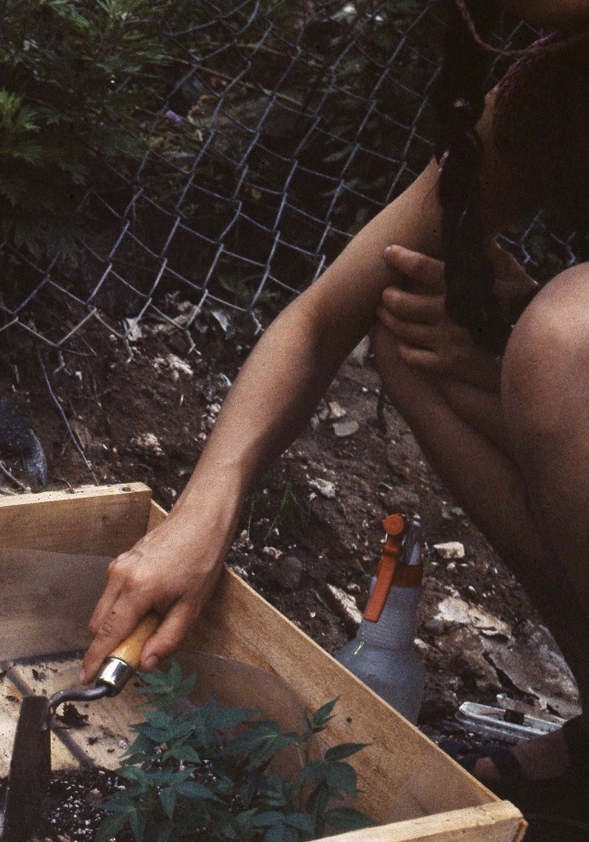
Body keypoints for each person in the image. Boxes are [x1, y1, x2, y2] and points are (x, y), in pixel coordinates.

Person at [80, 0, 588, 794]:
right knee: (417, 328)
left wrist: (542, 340)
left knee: (566, 342)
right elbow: (321, 321)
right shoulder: (558, 82)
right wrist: (205, 512)